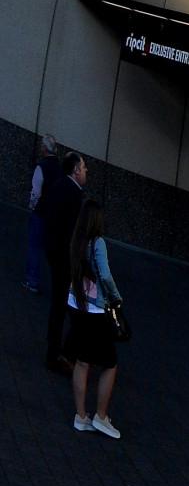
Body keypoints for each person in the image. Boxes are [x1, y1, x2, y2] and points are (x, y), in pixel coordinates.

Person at [63, 200, 121, 438]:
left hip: (75, 302)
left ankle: (81, 416)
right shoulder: (98, 242)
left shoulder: (77, 240)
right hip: (95, 309)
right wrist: (116, 296)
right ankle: (101, 416)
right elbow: (105, 275)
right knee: (110, 363)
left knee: (82, 361)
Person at [36, 149, 87, 372]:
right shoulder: (74, 194)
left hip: (55, 252)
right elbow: (71, 232)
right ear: (76, 170)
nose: (86, 170)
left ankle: (55, 352)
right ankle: (63, 355)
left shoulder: (60, 185)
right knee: (70, 307)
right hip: (65, 257)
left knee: (58, 305)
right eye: (84, 167)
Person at [24, 133, 57, 294]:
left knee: (34, 247)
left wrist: (32, 206)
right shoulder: (60, 168)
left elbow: (36, 192)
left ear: (44, 148)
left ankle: (32, 280)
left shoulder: (41, 166)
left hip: (40, 213)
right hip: (53, 215)